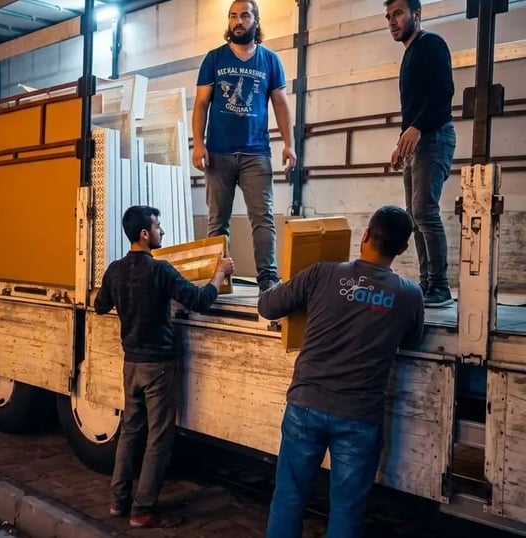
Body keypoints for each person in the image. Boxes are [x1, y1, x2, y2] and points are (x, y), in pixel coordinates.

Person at [258, 206, 425, 538]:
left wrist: (277, 285)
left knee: (289, 496)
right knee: (347, 508)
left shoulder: (323, 274)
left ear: (365, 235)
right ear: (403, 248)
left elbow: (268, 306)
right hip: (359, 416)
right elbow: (412, 340)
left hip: (305, 406)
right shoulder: (409, 294)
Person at [94, 205, 234, 529]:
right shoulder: (160, 270)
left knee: (130, 433)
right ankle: (143, 510)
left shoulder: (115, 270)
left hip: (131, 364)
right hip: (157, 366)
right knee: (158, 438)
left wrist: (126, 302)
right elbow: (199, 300)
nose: (162, 232)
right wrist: (219, 273)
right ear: (145, 234)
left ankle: (118, 501)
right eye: (158, 227)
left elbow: (100, 306)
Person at [192, 0, 296, 293]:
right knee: (217, 222)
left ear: (256, 21)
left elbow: (281, 104)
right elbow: (201, 103)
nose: (238, 21)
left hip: (256, 153)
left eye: (245, 16)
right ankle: (218, 281)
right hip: (218, 153)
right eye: (233, 16)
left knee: (263, 219)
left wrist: (289, 145)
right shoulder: (214, 59)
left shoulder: (270, 60)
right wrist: (198, 144)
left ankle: (268, 279)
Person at [386, 0, 456, 307]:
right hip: (417, 140)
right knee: (414, 216)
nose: (392, 21)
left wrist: (417, 129)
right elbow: (413, 107)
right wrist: (401, 142)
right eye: (388, 16)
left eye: (398, 14)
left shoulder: (431, 44)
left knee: (425, 211)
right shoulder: (410, 53)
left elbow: (443, 93)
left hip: (435, 136)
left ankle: (440, 286)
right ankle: (428, 284)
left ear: (417, 14)